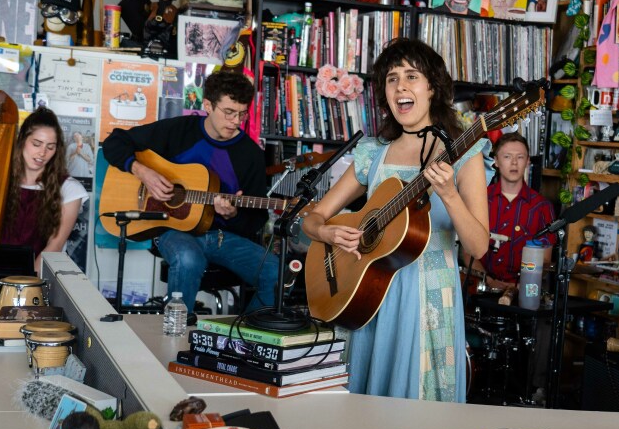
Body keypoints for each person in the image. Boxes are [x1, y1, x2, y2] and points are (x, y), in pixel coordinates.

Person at [301, 38, 490, 402]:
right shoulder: (374, 153)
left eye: (412, 76)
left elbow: (478, 246)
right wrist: (326, 230)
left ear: (433, 88)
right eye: (391, 78)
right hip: (367, 291)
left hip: (428, 296)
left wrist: (449, 195)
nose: (400, 86)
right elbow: (313, 217)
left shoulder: (464, 151)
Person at [103, 71, 278, 313]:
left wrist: (231, 215)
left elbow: (256, 221)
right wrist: (142, 172)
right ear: (208, 105)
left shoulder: (251, 156)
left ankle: (245, 338)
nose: (236, 121)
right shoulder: (179, 130)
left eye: (242, 113)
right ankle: (176, 337)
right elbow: (114, 142)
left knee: (275, 271)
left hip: (220, 237)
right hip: (171, 229)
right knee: (188, 259)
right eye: (228, 112)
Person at [0, 107, 88, 273]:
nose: (42, 153)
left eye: (50, 147)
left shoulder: (70, 189)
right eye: (36, 144)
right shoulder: (0, 182)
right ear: (22, 140)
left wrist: (23, 286)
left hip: (36, 282)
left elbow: (54, 246)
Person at [474, 132, 554, 291]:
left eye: (520, 157)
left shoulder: (542, 207)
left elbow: (545, 260)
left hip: (523, 293)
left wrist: (518, 286)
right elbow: (469, 251)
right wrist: (488, 281)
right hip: (482, 289)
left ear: (528, 161)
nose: (514, 163)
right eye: (507, 157)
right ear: (496, 161)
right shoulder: (480, 199)